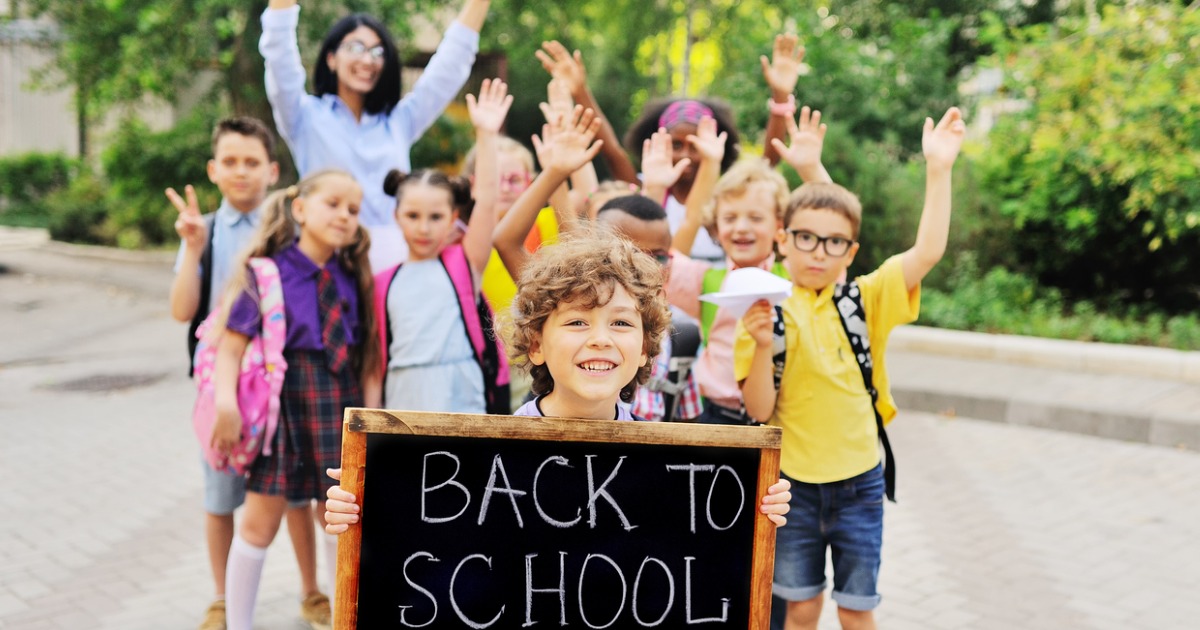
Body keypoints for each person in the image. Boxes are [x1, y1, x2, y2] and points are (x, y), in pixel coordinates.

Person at [323, 226, 791, 532]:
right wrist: (365, 507)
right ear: (536, 345)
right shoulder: (480, 462)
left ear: (648, 347)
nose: (602, 339)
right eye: (576, 323)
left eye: (622, 323)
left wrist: (754, 511)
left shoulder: (673, 467)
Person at [736, 108, 966, 630]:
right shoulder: (761, 304)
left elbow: (927, 250)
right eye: (805, 239)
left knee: (857, 611)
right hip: (790, 483)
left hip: (861, 482)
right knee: (801, 609)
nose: (819, 252)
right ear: (782, 239)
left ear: (851, 251)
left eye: (835, 243)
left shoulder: (865, 298)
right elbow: (756, 410)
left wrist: (938, 168)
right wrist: (760, 344)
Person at [165, 117, 329, 630]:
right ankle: (221, 598)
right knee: (221, 495)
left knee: (296, 492)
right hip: (224, 384)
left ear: (273, 170)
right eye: (230, 162)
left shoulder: (289, 233)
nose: (241, 172)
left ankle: (311, 591)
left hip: (282, 381)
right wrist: (192, 248)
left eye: (252, 162)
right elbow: (181, 310)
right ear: (214, 170)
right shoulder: (205, 231)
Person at [211, 169, 382, 630]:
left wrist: (372, 417)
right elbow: (230, 348)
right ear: (300, 208)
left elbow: (367, 359)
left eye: (353, 209)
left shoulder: (352, 275)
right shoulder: (267, 273)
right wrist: (225, 405)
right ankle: (239, 624)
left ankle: (342, 618)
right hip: (283, 409)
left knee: (339, 515)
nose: (344, 216)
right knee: (259, 524)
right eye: (333, 204)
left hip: (339, 407)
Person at [260, 0, 490, 270]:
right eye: (355, 47)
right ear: (331, 59)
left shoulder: (398, 122)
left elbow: (448, 68)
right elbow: (280, 59)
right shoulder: (304, 117)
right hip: (327, 263)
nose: (368, 59)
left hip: (393, 267)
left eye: (377, 51)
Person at [667, 107, 832, 426]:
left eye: (756, 218)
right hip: (716, 418)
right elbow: (660, 262)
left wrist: (811, 169)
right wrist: (709, 166)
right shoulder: (706, 279)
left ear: (779, 226)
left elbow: (833, 230)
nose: (741, 228)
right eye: (730, 218)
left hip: (782, 418)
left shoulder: (796, 277)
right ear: (715, 227)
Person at [372, 78, 510, 413]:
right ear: (397, 216)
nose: (423, 227)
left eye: (435, 216)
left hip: (464, 400)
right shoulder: (382, 281)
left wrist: (486, 135)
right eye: (413, 215)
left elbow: (488, 200)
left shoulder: (464, 262)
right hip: (402, 402)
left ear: (452, 218)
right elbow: (375, 362)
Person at [594, 195, 703, 422]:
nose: (643, 267)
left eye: (658, 257)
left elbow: (688, 428)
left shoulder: (677, 337)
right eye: (629, 255)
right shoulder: (571, 323)